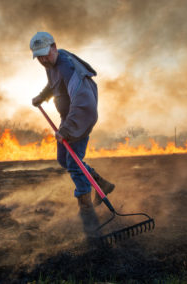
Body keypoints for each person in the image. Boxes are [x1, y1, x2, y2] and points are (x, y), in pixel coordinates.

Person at [30, 31, 115, 211]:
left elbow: (83, 101)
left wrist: (67, 129)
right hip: (68, 118)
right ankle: (100, 183)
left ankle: (86, 207)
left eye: (45, 53)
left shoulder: (68, 67)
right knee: (63, 159)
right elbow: (55, 84)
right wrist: (42, 96)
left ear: (54, 47)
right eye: (38, 57)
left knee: (74, 164)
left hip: (80, 119)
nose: (43, 60)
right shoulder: (51, 64)